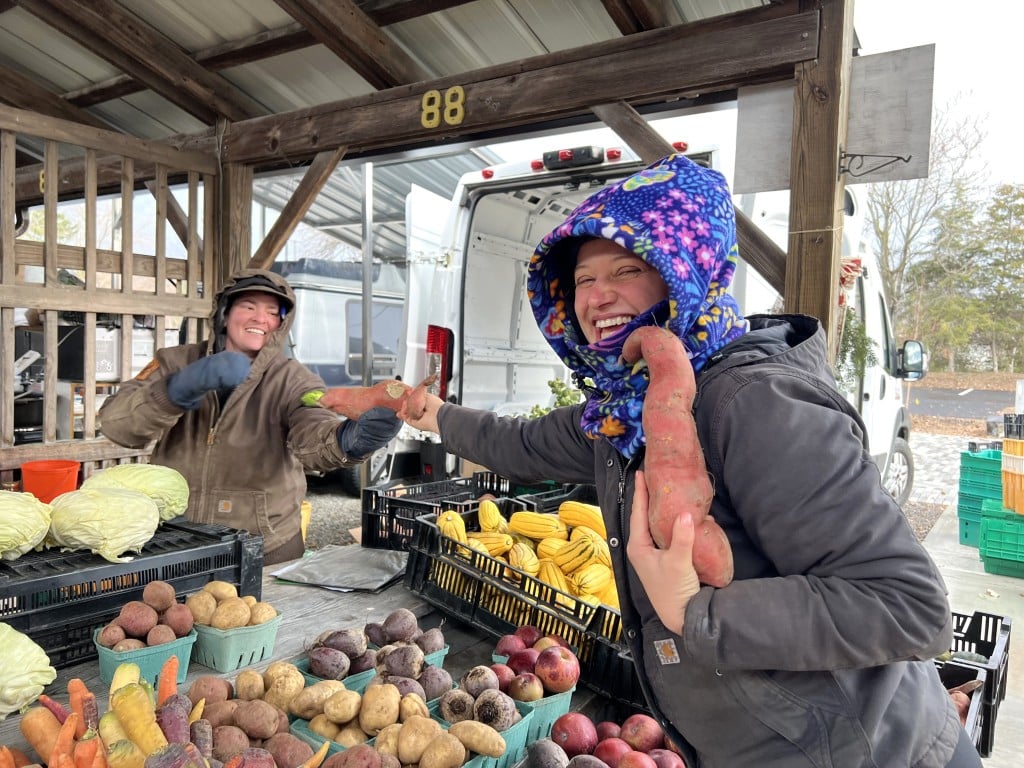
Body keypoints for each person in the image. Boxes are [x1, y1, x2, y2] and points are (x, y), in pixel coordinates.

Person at [400, 154, 978, 767]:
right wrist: (432, 413)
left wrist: (697, 613)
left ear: (685, 270)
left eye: (627, 269)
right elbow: (522, 443)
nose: (597, 296)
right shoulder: (622, 411)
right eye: (582, 279)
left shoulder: (754, 403)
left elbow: (908, 606)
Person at [99, 267, 400, 565]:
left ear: (281, 324)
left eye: (272, 312)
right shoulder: (174, 362)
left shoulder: (293, 379)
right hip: (175, 542)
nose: (260, 318)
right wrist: (176, 390)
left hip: (264, 547)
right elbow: (117, 426)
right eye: (249, 306)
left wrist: (349, 440)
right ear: (224, 313)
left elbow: (313, 432)